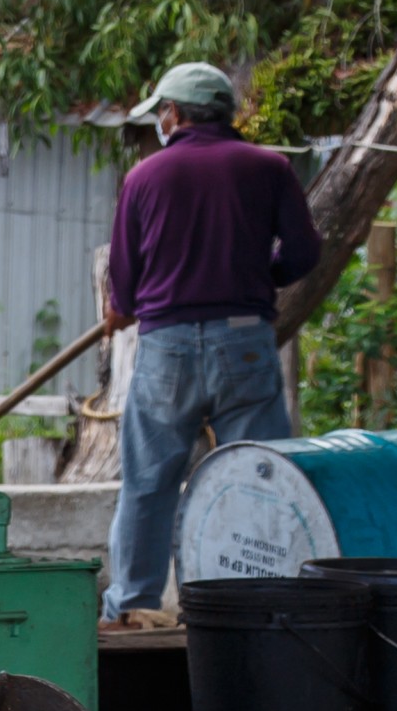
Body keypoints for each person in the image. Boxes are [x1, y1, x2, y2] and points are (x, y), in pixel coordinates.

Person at [100, 58, 323, 623]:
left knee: (149, 482)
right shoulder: (269, 168)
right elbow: (302, 253)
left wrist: (120, 310)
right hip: (244, 339)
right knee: (259, 475)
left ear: (173, 114)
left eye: (160, 112)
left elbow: (124, 278)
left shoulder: (144, 177)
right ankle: (255, 602)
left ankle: (132, 604)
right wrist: (251, 278)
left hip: (167, 345)